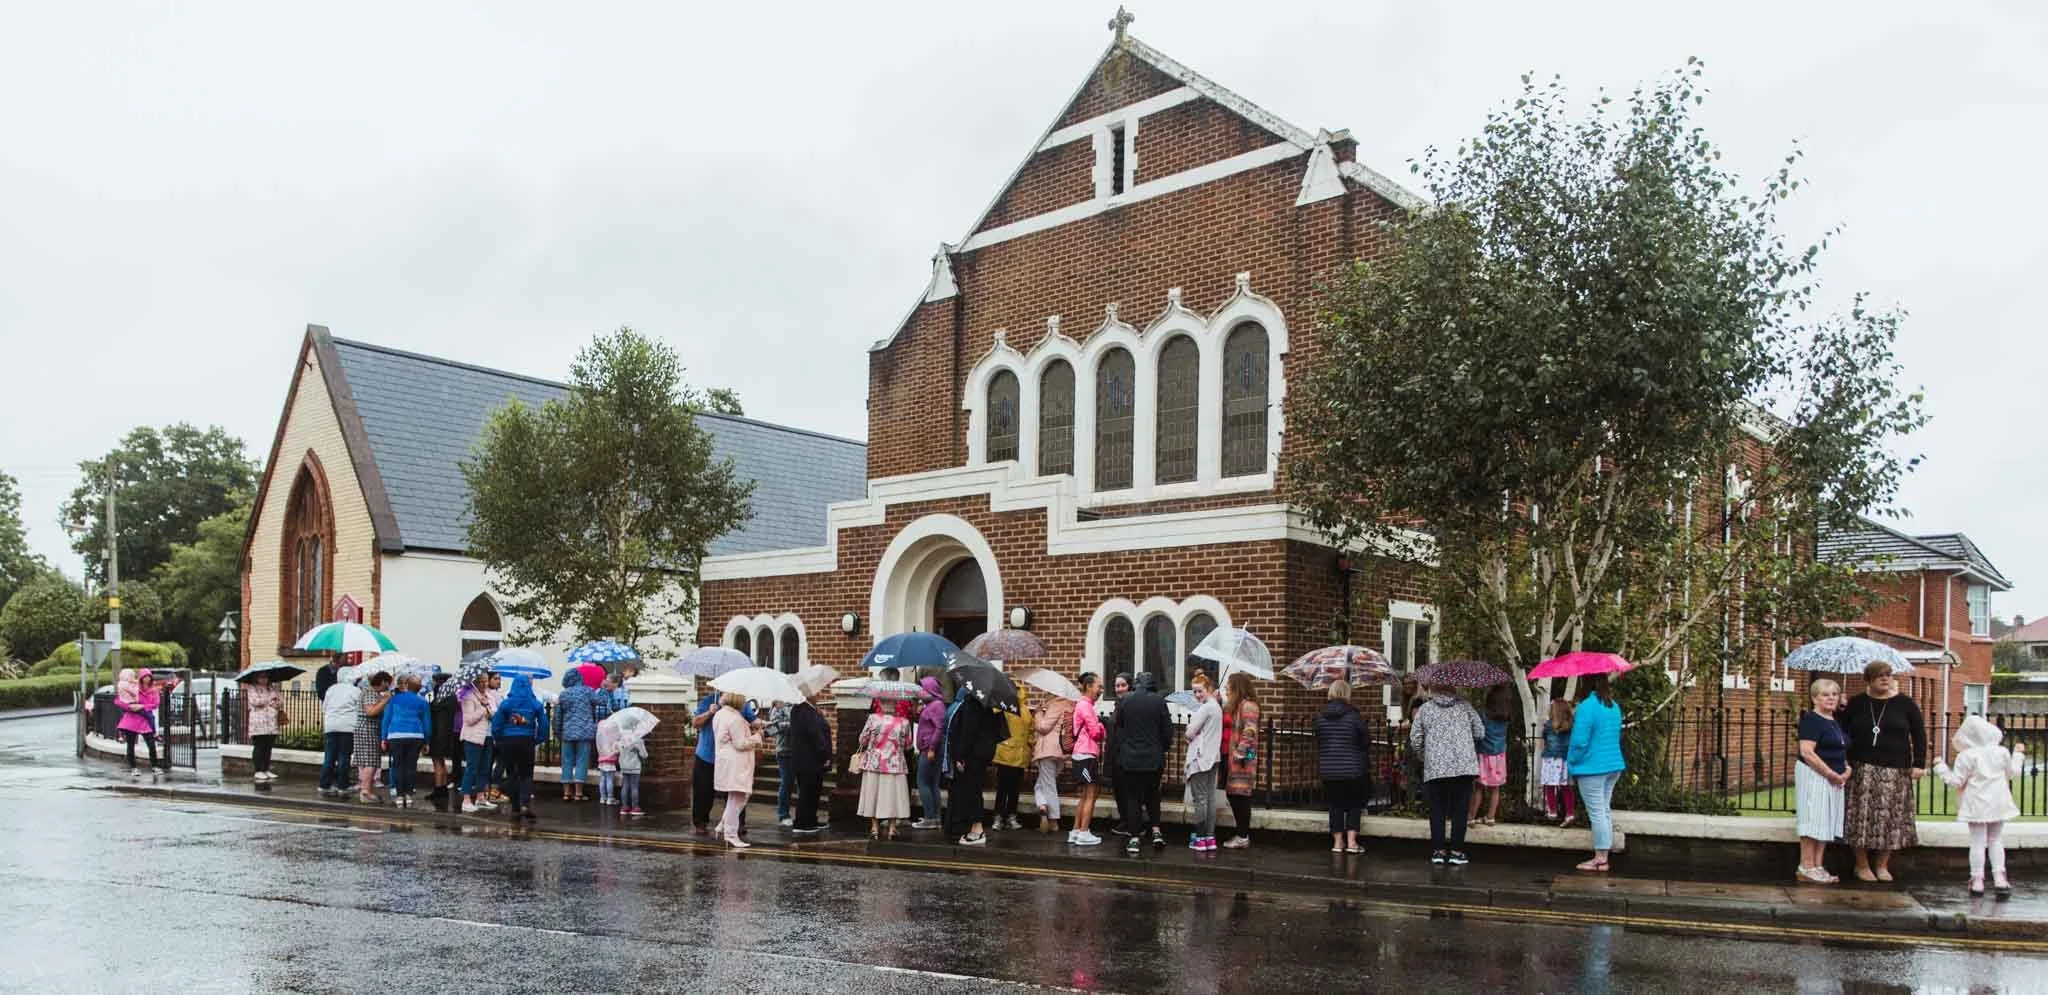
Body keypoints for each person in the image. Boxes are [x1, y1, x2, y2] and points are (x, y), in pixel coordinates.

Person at [1841, 661, 1926, 883]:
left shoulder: (1905, 704)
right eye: (1879, 676)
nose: (1885, 679)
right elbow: (1841, 731)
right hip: (1862, 768)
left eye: (1888, 675)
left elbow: (1919, 735)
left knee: (1891, 818)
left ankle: (1882, 865)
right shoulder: (1857, 703)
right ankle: (1861, 865)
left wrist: (1919, 763)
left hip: (1896, 770)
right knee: (1860, 818)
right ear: (1868, 680)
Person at [1934, 715, 2024, 898]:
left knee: (1977, 842)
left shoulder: (1966, 756)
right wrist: (2019, 755)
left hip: (1976, 803)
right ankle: (2000, 878)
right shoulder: (2001, 752)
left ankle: (1977, 881)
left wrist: (1940, 767)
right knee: (1996, 840)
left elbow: (1956, 782)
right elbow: (2013, 773)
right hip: (1998, 802)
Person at [1409, 680, 1483, 865]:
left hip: (1436, 768)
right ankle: (1457, 852)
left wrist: (1425, 756)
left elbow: (1415, 739)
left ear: (1433, 688)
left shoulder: (1425, 709)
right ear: (1453, 687)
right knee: (1460, 810)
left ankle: (1439, 851)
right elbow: (1480, 732)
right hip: (1463, 767)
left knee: (1437, 810)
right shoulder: (1465, 706)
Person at [1795, 677, 1852, 884]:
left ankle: (1818, 866)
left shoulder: (1834, 720)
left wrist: (1846, 769)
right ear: (1814, 698)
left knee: (1826, 822)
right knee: (1812, 821)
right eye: (1825, 695)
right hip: (1815, 776)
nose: (1830, 698)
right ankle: (1805, 866)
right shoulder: (1812, 719)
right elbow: (1807, 752)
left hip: (1835, 779)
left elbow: (1839, 748)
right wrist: (1830, 773)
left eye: (1834, 694)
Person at [1568, 674, 1627, 873]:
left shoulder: (1587, 707)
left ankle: (1600, 858)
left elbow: (1579, 742)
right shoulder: (1613, 706)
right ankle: (1604, 856)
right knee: (1604, 810)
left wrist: (1572, 761)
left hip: (1592, 767)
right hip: (1613, 765)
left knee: (1597, 813)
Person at [1114, 671, 1173, 854]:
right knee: (1153, 795)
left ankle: (1134, 838)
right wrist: (1161, 747)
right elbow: (1167, 731)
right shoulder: (1159, 701)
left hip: (1130, 758)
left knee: (1133, 798)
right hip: (1153, 759)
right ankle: (1156, 832)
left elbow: (1119, 725)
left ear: (1137, 684)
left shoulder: (1126, 700)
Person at [693, 683, 758, 833]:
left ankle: (737, 823)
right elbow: (695, 723)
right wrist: (709, 713)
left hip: (730, 757)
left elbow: (753, 721)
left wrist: (759, 725)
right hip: (707, 755)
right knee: (704, 791)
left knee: (735, 790)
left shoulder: (742, 704)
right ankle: (700, 822)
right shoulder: (708, 701)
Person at [945, 689, 1007, 846]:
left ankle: (977, 830)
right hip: (982, 753)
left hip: (972, 755)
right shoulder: (988, 703)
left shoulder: (972, 703)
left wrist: (959, 755)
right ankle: (974, 828)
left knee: (972, 791)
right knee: (975, 790)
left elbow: (967, 732)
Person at [1317, 679, 1371, 854]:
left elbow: (1319, 740)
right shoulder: (1354, 716)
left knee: (1335, 805)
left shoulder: (1320, 716)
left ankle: (1337, 843)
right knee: (1355, 803)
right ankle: (1352, 842)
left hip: (1328, 769)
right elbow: (1365, 740)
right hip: (1353, 768)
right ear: (1347, 694)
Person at [490, 675, 550, 821]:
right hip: (527, 740)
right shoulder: (535, 704)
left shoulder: (506, 704)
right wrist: (538, 739)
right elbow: (544, 725)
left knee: (511, 774)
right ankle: (525, 804)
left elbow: (496, 724)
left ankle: (515, 808)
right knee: (526, 775)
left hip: (508, 741)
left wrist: (499, 738)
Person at [713, 692, 765, 848]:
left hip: (726, 761)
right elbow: (740, 743)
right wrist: (758, 737)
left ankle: (722, 825)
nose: (745, 703)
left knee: (735, 797)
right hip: (736, 763)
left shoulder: (720, 714)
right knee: (738, 798)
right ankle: (730, 834)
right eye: (744, 700)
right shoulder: (735, 718)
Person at [858, 698, 915, 840]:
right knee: (893, 797)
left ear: (881, 704)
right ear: (895, 704)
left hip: (874, 763)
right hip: (895, 764)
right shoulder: (904, 722)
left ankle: (874, 828)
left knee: (873, 795)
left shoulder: (872, 719)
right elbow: (908, 745)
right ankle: (892, 829)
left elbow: (862, 740)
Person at [1183, 673, 1223, 852]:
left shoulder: (1205, 708)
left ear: (1208, 690)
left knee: (1200, 799)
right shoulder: (1217, 707)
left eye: (1200, 691)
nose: (1197, 695)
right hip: (1213, 757)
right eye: (1195, 691)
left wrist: (1189, 729)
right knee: (1209, 798)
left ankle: (1200, 838)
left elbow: (1190, 733)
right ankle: (1210, 837)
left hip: (1200, 758)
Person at [1221, 672, 1261, 849]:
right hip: (1237, 758)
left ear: (1236, 686)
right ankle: (1241, 833)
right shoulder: (1238, 706)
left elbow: (1250, 731)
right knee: (1234, 794)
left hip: (1244, 759)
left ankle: (1243, 836)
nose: (1226, 688)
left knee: (1241, 796)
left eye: (1228, 685)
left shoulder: (1249, 706)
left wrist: (1240, 752)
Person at [555, 668, 608, 803]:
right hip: (585, 732)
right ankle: (578, 793)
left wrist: (557, 732)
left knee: (566, 761)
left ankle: (566, 793)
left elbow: (557, 716)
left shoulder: (564, 694)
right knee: (581, 761)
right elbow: (601, 701)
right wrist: (603, 688)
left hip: (567, 732)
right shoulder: (587, 691)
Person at [381, 674, 432, 808]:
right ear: (419, 688)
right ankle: (408, 795)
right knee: (410, 766)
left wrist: (384, 738)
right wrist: (427, 741)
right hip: (415, 735)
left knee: (398, 766)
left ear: (407, 685)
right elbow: (427, 723)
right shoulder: (423, 702)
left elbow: (386, 719)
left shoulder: (394, 700)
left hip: (396, 735)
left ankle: (399, 796)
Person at [1068, 672, 1106, 846]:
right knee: (1091, 794)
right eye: (1099, 686)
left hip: (1081, 754)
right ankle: (1084, 832)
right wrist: (1102, 727)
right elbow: (1096, 733)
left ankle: (1076, 831)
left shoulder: (1083, 705)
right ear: (1089, 687)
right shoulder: (1085, 706)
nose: (1101, 690)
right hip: (1086, 754)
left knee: (1085, 795)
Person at [787, 692, 834, 834]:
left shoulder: (808, 710)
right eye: (815, 692)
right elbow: (816, 735)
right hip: (809, 759)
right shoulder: (804, 710)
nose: (819, 694)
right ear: (807, 695)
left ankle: (811, 820)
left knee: (813, 791)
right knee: (808, 792)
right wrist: (825, 755)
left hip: (808, 759)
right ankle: (802, 823)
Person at [1031, 689, 1074, 834]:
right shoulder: (1069, 706)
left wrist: (1038, 713)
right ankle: (1042, 805)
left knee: (1048, 785)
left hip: (1048, 751)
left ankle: (1053, 820)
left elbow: (1043, 727)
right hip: (1061, 751)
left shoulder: (1055, 705)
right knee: (1041, 784)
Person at [993, 693, 1035, 831]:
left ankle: (1000, 817)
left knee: (1004, 788)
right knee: (1012, 788)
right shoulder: (1025, 711)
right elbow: (1031, 733)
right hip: (1017, 754)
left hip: (1006, 753)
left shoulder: (1003, 708)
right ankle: (1010, 816)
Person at [1471, 685, 1512, 826]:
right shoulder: (1506, 717)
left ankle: (1470, 817)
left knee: (1478, 788)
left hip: (1483, 755)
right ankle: (1490, 817)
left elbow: (1478, 734)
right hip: (1499, 756)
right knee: (1495, 789)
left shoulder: (1483, 715)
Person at [458, 674, 498, 813]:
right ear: (475, 682)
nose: (484, 684)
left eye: (486, 681)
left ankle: (481, 797)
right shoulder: (468, 697)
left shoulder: (489, 696)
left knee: (485, 768)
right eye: (481, 681)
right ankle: (466, 798)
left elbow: (494, 712)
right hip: (473, 737)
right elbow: (468, 719)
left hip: (487, 735)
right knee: (472, 767)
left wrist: (488, 709)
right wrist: (482, 709)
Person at [114, 668, 166, 776]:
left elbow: (155, 704)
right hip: (132, 718)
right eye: (144, 678)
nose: (147, 680)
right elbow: (118, 700)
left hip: (145, 719)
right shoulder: (134, 687)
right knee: (131, 744)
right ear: (141, 678)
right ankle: (133, 768)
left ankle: (155, 766)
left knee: (151, 744)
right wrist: (130, 707)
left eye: (149, 677)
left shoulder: (154, 690)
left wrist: (142, 706)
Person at [913, 677, 947, 830]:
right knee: (932, 784)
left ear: (930, 690)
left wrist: (932, 748)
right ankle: (935, 817)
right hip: (929, 749)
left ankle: (929, 817)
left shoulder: (936, 706)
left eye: (922, 689)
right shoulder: (932, 705)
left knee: (923, 782)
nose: (919, 692)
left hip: (929, 750)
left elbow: (939, 729)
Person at [354, 672, 393, 803]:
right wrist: (385, 700)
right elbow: (370, 712)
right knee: (371, 761)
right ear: (383, 682)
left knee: (369, 761)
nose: (389, 686)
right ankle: (365, 792)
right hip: (367, 729)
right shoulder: (370, 693)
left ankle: (367, 790)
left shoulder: (370, 692)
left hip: (367, 729)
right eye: (388, 682)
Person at [320, 669, 360, 797]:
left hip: (331, 726)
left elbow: (324, 707)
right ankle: (343, 786)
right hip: (348, 727)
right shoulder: (356, 691)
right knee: (344, 757)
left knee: (329, 757)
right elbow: (360, 709)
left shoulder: (331, 689)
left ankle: (324, 785)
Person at [1105, 673, 1135, 837]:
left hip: (1124, 756)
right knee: (1119, 791)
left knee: (1126, 792)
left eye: (1123, 685)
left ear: (1130, 686)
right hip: (1115, 755)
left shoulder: (1129, 705)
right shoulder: (1118, 704)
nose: (1119, 689)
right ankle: (1125, 821)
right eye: (1117, 686)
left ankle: (1130, 824)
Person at [428, 675, 463, 807]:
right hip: (447, 733)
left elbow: (435, 713)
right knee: (440, 761)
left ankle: (439, 788)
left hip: (439, 734)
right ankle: (441, 786)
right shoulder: (452, 697)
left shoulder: (441, 700)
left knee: (437, 761)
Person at [1540, 699, 1575, 826]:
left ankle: (1553, 811)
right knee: (1566, 787)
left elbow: (1544, 739)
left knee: (1549, 786)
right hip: (1565, 760)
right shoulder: (1571, 725)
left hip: (1550, 759)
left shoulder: (1548, 725)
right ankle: (1570, 813)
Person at [243, 674, 283, 782]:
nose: (264, 679)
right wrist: (270, 699)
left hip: (271, 721)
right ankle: (258, 770)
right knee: (259, 746)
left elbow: (279, 701)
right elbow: (255, 701)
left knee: (268, 747)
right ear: (256, 678)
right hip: (258, 722)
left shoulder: (272, 688)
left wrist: (275, 702)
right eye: (261, 677)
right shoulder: (252, 688)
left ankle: (266, 769)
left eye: (266, 677)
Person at [765, 701, 796, 826]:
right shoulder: (778, 706)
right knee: (787, 782)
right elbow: (774, 727)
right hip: (784, 751)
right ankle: (783, 814)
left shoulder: (797, 704)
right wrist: (796, 724)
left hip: (799, 751)